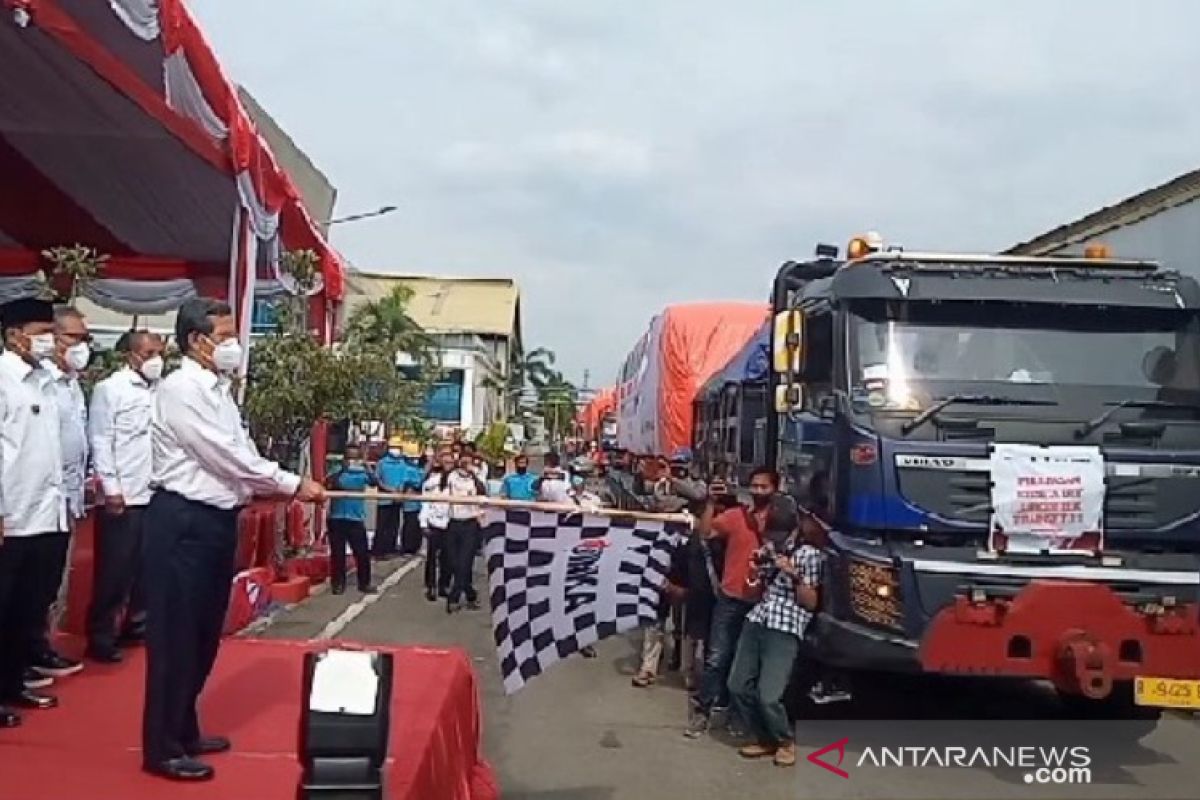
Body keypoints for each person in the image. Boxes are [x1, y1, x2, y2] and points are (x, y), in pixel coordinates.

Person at [142, 297, 324, 781]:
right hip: (182, 522)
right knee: (176, 638)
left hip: (216, 523)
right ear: (197, 342)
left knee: (204, 636)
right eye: (224, 337)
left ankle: (184, 728)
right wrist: (290, 483)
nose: (234, 346)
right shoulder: (181, 389)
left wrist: (281, 482)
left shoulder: (219, 392)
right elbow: (224, 457)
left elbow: (241, 450)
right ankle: (161, 747)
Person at [0, 298, 69, 728]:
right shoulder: (4, 379)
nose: (48, 340)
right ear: (13, 334)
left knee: (27, 607)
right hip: (12, 514)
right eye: (40, 331)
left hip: (47, 513)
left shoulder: (45, 380)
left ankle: (11, 683)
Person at [86, 330, 165, 663]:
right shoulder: (110, 390)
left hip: (155, 492)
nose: (156, 360)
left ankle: (137, 624)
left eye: (159, 353)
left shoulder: (163, 390)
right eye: (148, 353)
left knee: (148, 569)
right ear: (131, 356)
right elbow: (101, 439)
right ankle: (101, 635)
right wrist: (112, 488)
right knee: (115, 571)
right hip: (124, 494)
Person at [685, 466, 779, 739]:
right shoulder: (736, 517)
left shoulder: (780, 521)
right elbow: (705, 533)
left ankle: (737, 717)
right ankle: (702, 712)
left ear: (776, 488)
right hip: (730, 599)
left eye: (764, 487)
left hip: (763, 603)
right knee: (716, 658)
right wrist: (711, 503)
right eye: (755, 486)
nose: (758, 491)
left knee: (746, 665)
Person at [726, 505, 823, 767]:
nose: (775, 539)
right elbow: (755, 585)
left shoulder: (809, 555)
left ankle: (784, 740)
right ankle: (764, 737)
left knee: (768, 694)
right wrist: (759, 567)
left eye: (781, 533)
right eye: (771, 533)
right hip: (758, 619)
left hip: (786, 626)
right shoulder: (770, 549)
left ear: (795, 529)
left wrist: (793, 574)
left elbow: (811, 602)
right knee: (737, 685)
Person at [31, 306, 91, 681]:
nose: (81, 345)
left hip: (65, 498)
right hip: (32, 500)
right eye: (74, 337)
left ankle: (38, 647)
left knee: (49, 584)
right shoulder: (40, 380)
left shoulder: (72, 382)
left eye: (85, 338)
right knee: (26, 586)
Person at [325, 444, 379, 595]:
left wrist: (367, 466)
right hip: (337, 517)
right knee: (337, 554)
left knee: (362, 553)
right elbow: (330, 482)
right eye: (350, 457)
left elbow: (374, 482)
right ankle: (338, 584)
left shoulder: (362, 473)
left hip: (355, 518)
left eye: (355, 457)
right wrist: (342, 468)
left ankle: (364, 583)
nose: (352, 460)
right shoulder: (337, 471)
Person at [444, 452, 486, 613]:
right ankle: (470, 593)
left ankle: (453, 598)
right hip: (454, 523)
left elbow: (482, 491)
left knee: (465, 562)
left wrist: (474, 475)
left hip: (470, 525)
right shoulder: (451, 477)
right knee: (455, 563)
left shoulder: (475, 479)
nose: (466, 464)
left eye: (469, 462)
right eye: (464, 461)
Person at [373, 437, 423, 559]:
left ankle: (391, 549)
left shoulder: (402, 464)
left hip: (397, 499)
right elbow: (377, 480)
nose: (396, 450)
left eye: (398, 448)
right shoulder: (382, 463)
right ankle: (379, 551)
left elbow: (404, 479)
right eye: (394, 447)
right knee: (382, 526)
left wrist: (399, 491)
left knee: (393, 526)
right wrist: (388, 489)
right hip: (384, 499)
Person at [419, 450, 454, 602]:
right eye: (445, 462)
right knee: (432, 557)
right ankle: (431, 586)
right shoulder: (432, 481)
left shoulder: (458, 481)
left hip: (451, 524)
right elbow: (426, 502)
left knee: (448, 557)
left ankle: (443, 585)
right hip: (434, 523)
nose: (448, 465)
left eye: (451, 462)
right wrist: (423, 523)